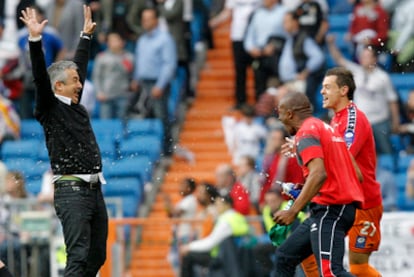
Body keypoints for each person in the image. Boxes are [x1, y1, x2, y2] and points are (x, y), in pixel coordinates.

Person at [20, 5, 108, 276]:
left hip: (94, 191)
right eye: (74, 81)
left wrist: (85, 36)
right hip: (72, 191)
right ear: (58, 86)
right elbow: (39, 75)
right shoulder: (49, 106)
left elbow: (77, 67)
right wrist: (35, 41)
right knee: (78, 258)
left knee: (96, 257)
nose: (80, 85)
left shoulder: (73, 103)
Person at [273, 91, 364, 276]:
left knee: (331, 272)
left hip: (331, 209)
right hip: (332, 209)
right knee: (284, 256)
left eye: (280, 113)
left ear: (290, 114)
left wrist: (293, 211)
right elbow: (357, 175)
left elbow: (319, 174)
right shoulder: (325, 129)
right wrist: (306, 189)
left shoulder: (306, 133)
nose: (279, 118)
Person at [321, 67, 383, 276]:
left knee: (358, 266)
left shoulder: (352, 119)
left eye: (328, 87)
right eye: (322, 87)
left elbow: (341, 159)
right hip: (345, 201)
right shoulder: (336, 118)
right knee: (316, 254)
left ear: (343, 90)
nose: (322, 91)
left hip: (364, 201)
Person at [327, 35, 400, 155]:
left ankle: (391, 172)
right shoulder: (356, 72)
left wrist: (395, 121)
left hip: (380, 121)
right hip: (360, 122)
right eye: (362, 56)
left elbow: (392, 100)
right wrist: (331, 45)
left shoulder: (383, 77)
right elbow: (339, 60)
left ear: (374, 59)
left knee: (386, 151)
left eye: (367, 56)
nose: (363, 59)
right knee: (360, 154)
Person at [130, 7, 177, 160]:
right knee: (143, 116)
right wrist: (136, 79)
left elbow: (169, 64)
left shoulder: (164, 39)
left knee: (161, 116)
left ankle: (167, 150)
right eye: (143, 19)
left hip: (157, 83)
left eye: (149, 18)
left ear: (156, 20)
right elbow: (139, 62)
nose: (145, 22)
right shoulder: (142, 40)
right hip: (143, 83)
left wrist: (160, 85)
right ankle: (148, 150)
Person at [179, 194, 250, 277]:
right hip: (236, 259)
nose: (216, 207)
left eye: (218, 204)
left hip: (219, 258)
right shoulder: (237, 217)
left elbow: (211, 242)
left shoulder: (226, 220)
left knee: (187, 256)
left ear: (227, 205)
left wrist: (189, 247)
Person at [208, 0, 260, 108]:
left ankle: (259, 101)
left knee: (258, 70)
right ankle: (240, 101)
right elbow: (227, 12)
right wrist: (215, 22)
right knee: (239, 70)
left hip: (255, 36)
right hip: (238, 35)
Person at [92, 31, 133, 119]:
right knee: (106, 124)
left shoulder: (128, 57)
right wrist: (99, 92)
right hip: (106, 96)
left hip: (123, 95)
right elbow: (96, 76)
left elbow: (129, 71)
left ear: (122, 42)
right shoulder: (101, 57)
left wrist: (118, 56)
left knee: (122, 123)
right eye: (111, 41)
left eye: (116, 40)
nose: (113, 43)